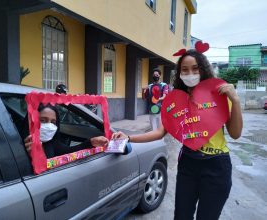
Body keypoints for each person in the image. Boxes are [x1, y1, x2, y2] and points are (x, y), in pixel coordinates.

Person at [113, 49, 243, 220]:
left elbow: (235, 134)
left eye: (195, 69)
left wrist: (235, 101)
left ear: (203, 69)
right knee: (181, 216)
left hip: (217, 167)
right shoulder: (175, 101)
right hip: (188, 164)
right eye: (185, 69)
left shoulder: (218, 94)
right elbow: (159, 132)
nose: (190, 74)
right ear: (179, 73)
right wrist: (129, 138)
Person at [24, 103, 108, 158]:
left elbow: (69, 152)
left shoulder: (51, 142)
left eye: (53, 122)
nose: (49, 126)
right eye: (42, 120)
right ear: (31, 121)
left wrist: (91, 142)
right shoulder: (19, 145)